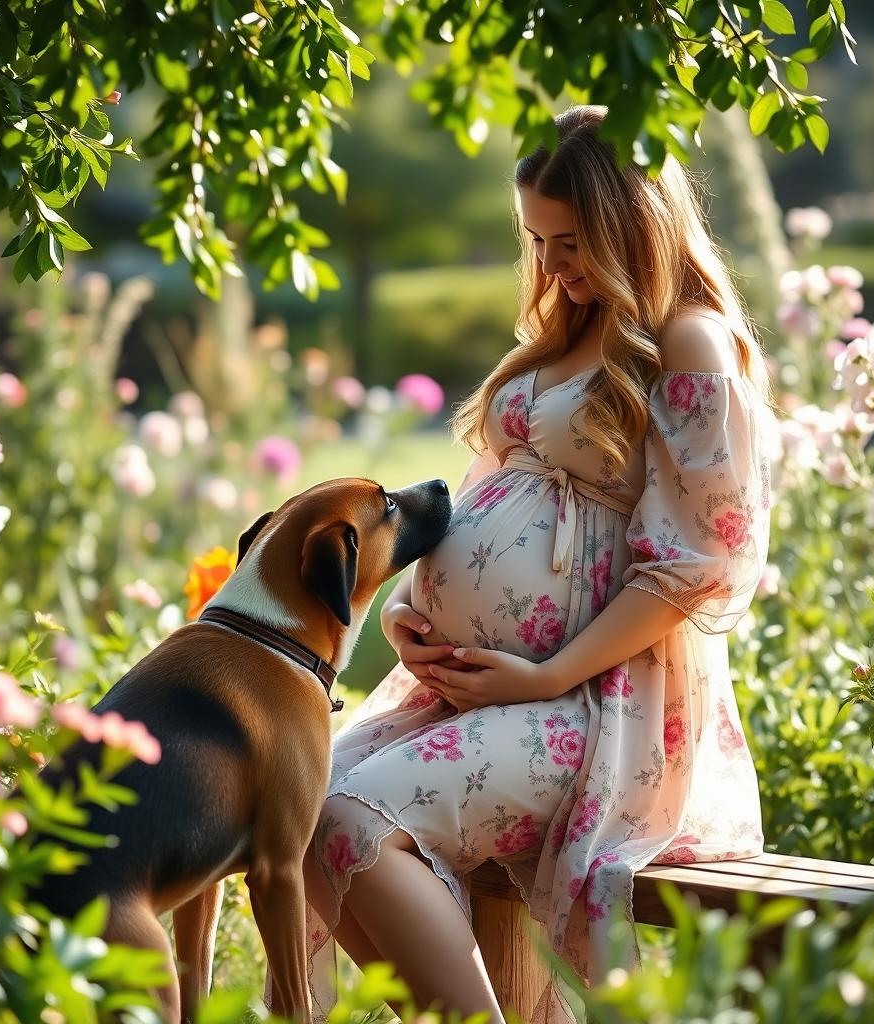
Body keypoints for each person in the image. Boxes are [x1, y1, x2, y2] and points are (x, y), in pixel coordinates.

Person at [279, 103, 776, 1024]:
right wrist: (405, 616)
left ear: (638, 225)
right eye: (537, 241)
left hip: (595, 708)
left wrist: (543, 673)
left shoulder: (688, 342)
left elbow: (697, 562)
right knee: (301, 806)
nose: (550, 267)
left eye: (573, 242)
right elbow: (469, 504)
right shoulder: (561, 335)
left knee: (354, 821)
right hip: (484, 690)